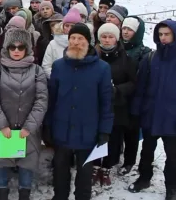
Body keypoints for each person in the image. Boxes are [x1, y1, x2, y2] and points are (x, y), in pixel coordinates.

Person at [45, 23, 113, 200]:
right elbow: (52, 99)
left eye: (80, 39)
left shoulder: (102, 68)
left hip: (88, 132)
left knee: (84, 175)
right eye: (72, 38)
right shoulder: (59, 66)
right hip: (62, 129)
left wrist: (105, 130)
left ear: (88, 42)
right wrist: (48, 125)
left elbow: (106, 102)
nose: (75, 42)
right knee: (60, 171)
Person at [0, 27, 47, 200]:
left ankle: (24, 193)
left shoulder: (37, 71)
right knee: (1, 160)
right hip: (2, 128)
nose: (17, 51)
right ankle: (2, 192)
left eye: (21, 47)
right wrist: (2, 125)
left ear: (27, 49)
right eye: (12, 47)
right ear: (6, 48)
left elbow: (41, 101)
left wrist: (30, 126)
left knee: (26, 161)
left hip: (27, 130)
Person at [129, 20, 176, 198]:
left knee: (173, 156)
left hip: (172, 117)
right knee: (147, 150)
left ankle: (172, 186)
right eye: (160, 34)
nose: (163, 38)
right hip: (151, 113)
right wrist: (136, 111)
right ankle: (144, 178)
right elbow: (140, 87)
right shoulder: (150, 58)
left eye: (167, 34)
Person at [92, 23, 136, 186]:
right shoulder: (93, 56)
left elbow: (133, 83)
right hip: (96, 106)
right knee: (97, 136)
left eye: (111, 37)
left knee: (114, 139)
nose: (107, 40)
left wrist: (117, 90)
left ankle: (107, 168)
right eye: (104, 36)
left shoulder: (126, 59)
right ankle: (95, 165)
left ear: (116, 39)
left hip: (117, 106)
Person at [42, 8, 80, 78]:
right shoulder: (53, 44)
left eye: (72, 26)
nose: (69, 29)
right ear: (62, 26)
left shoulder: (83, 43)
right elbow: (46, 66)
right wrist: (58, 79)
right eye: (67, 26)